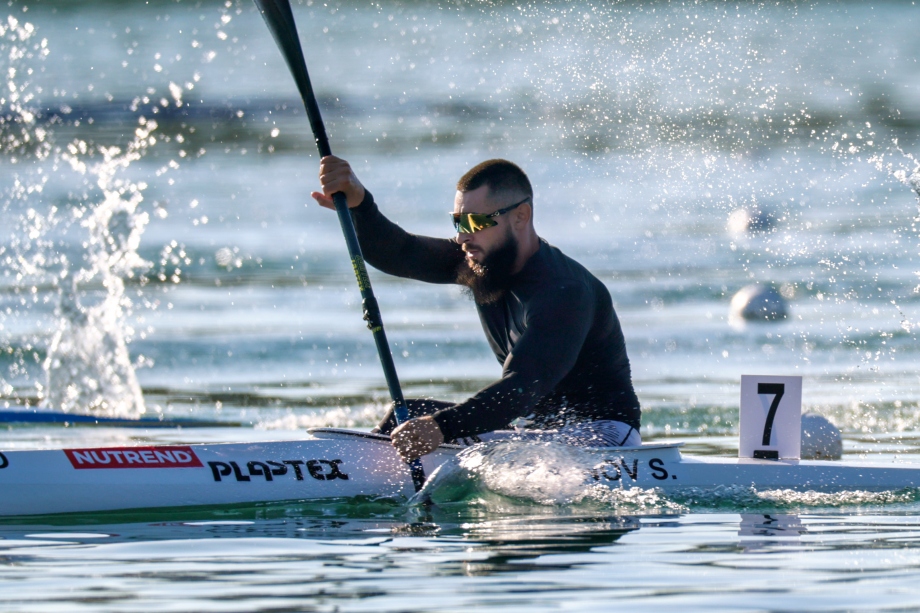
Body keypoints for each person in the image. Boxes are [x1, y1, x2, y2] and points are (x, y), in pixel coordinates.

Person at [311, 156, 641, 461]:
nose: (461, 238)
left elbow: (521, 387)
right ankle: (351, 472)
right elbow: (401, 252)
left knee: (441, 429)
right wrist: (360, 203)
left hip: (603, 435)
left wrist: (441, 427)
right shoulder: (482, 262)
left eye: (474, 222)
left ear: (520, 216)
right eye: (458, 222)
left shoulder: (564, 292)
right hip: (536, 431)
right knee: (408, 414)